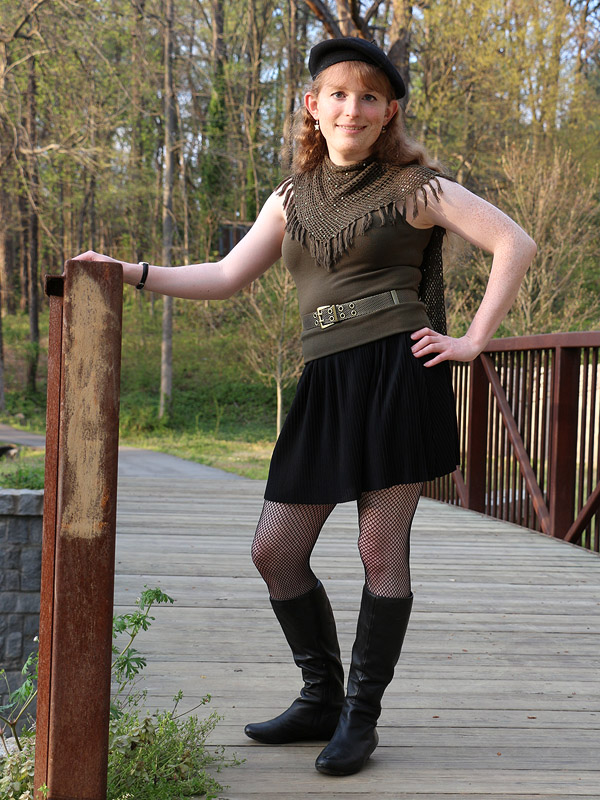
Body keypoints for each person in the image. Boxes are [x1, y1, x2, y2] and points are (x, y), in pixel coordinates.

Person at [74, 37, 536, 777]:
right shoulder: (290, 200)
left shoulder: (417, 187)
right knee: (275, 550)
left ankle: (359, 715)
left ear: (389, 113)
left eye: (370, 97)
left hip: (398, 375)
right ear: (313, 106)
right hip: (325, 381)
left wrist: (472, 341)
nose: (353, 108)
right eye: (339, 95)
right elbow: (226, 276)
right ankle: (320, 696)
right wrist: (131, 272)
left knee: (380, 549)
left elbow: (514, 241)